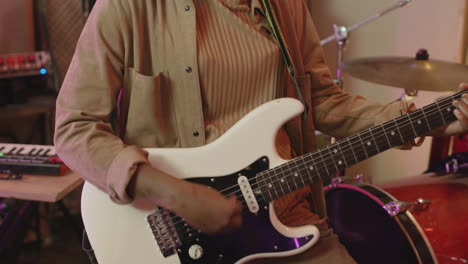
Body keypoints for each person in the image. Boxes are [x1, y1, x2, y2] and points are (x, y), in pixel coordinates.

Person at [54, 0, 468, 263]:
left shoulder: (285, 7)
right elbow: (74, 128)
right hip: (169, 229)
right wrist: (175, 193)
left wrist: (430, 119)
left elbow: (323, 101)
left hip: (286, 221)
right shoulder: (127, 7)